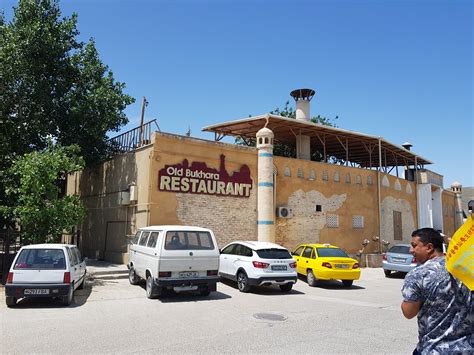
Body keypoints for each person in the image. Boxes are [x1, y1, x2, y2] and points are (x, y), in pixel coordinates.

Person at [401, 228, 473, 354]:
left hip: (433, 349)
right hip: (468, 348)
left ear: (429, 247)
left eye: (414, 246)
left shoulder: (418, 274)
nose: (411, 250)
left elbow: (408, 312)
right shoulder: (465, 268)